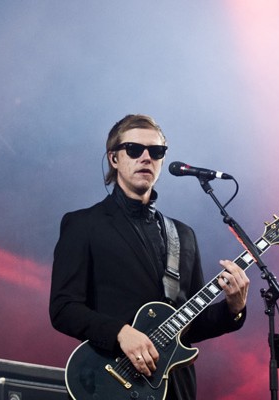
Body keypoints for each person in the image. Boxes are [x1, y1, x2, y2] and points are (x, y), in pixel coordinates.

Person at [49, 114, 250, 400]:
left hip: (173, 386)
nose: (146, 157)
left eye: (156, 152)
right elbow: (63, 308)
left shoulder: (183, 234)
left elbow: (192, 324)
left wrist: (234, 307)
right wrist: (120, 333)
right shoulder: (84, 224)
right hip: (109, 381)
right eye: (134, 149)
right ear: (114, 158)